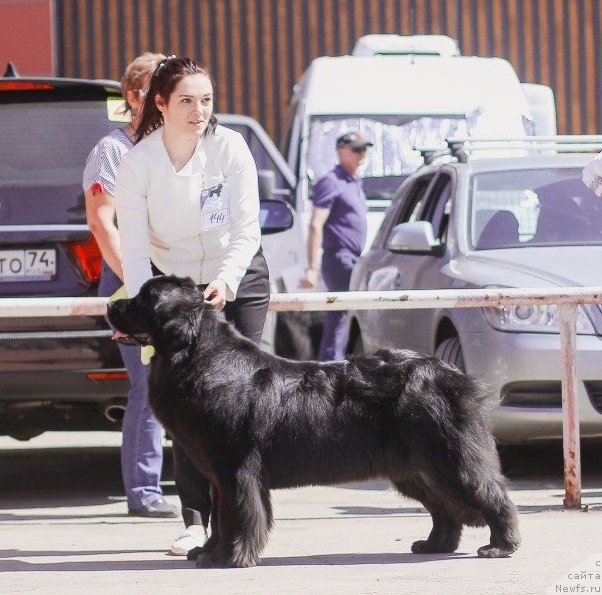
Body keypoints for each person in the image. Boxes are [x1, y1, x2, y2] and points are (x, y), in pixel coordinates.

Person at [113, 56, 270, 556]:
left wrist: (226, 280)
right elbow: (135, 250)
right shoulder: (138, 163)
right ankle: (195, 520)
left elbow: (247, 230)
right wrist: (146, 316)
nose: (198, 110)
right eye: (185, 101)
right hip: (174, 288)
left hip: (237, 276)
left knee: (244, 403)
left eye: (206, 100)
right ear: (160, 103)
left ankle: (246, 517)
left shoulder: (230, 147)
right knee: (186, 404)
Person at [82, 52, 178, 519]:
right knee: (147, 385)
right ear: (137, 97)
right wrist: (138, 283)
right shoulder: (112, 150)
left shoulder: (177, 148)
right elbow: (103, 225)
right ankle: (144, 490)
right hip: (133, 287)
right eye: (159, 90)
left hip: (177, 284)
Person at [301, 131, 373, 361]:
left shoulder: (353, 181)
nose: (361, 154)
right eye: (356, 149)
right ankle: (331, 367)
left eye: (364, 149)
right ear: (340, 151)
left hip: (352, 257)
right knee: (339, 315)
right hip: (339, 258)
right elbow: (315, 225)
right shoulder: (331, 181)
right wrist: (311, 268)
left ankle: (334, 365)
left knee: (343, 315)